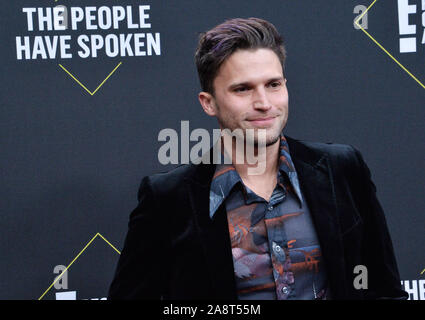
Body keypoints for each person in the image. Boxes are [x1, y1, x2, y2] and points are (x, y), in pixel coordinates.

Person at [108, 17, 407, 300]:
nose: (264, 103)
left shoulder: (341, 169)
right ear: (208, 102)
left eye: (273, 85)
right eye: (243, 89)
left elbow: (384, 289)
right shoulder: (168, 199)